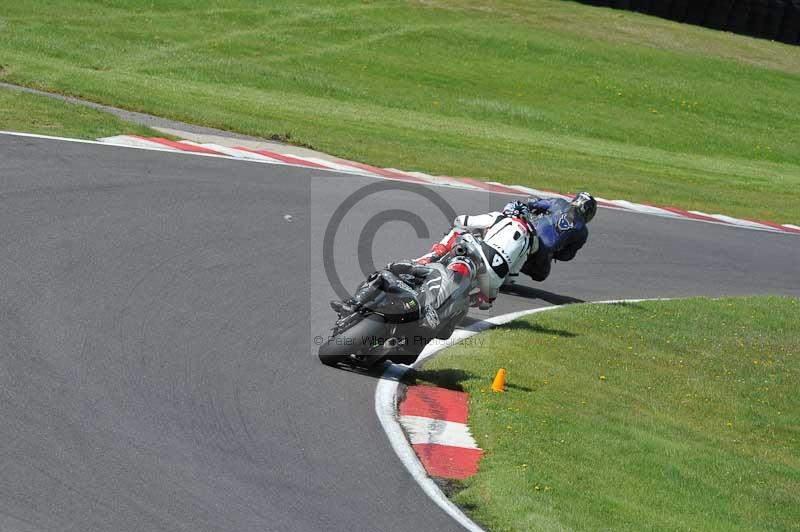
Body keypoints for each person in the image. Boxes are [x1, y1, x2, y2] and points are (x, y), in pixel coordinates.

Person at [330, 200, 538, 316]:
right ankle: (457, 304)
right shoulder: (527, 243)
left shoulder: (500, 217)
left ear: (510, 211)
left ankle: (429, 258)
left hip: (479, 255)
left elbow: (463, 220)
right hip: (492, 282)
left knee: (458, 229)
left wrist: (474, 232)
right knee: (485, 301)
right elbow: (512, 276)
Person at [518, 192, 596, 283]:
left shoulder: (559, 202)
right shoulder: (583, 232)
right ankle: (517, 266)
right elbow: (567, 255)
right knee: (540, 275)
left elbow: (533, 202)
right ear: (587, 211)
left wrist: (533, 206)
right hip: (545, 248)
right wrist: (555, 253)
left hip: (530, 229)